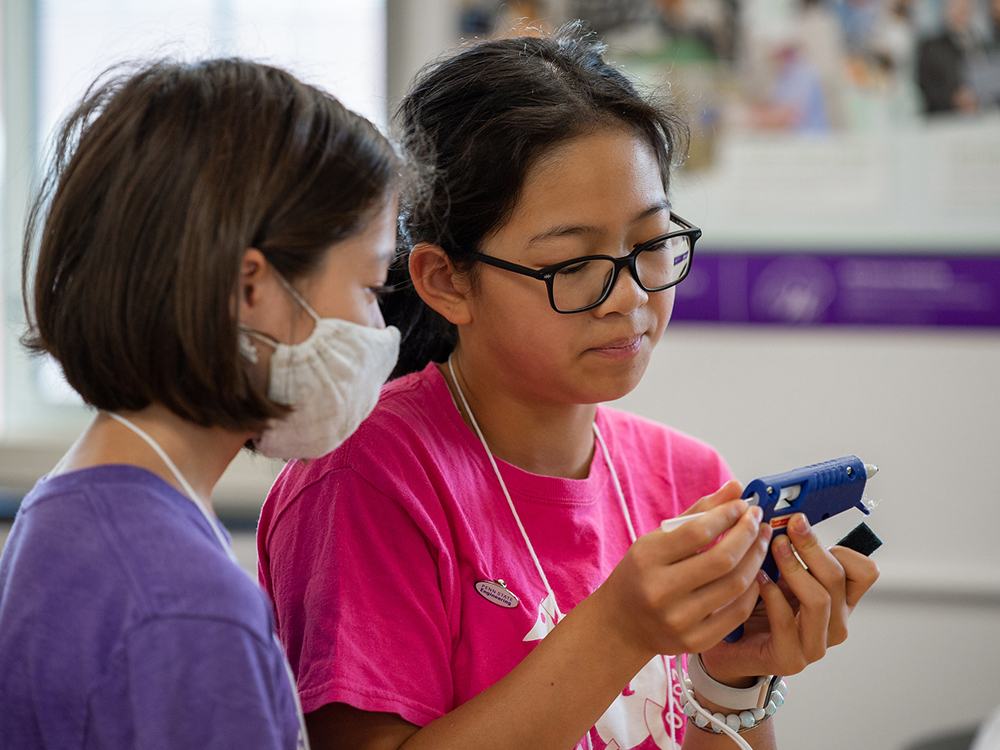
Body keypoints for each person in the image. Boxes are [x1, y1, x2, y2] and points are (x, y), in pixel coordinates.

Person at [258, 25, 879, 750]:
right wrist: (617, 630)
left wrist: (730, 681)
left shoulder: (692, 482)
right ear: (446, 280)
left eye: (650, 244)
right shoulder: (366, 481)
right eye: (573, 264)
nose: (629, 296)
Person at [0, 58, 402, 750]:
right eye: (370, 286)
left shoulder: (70, 510)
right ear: (252, 291)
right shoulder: (185, 611)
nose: (378, 332)